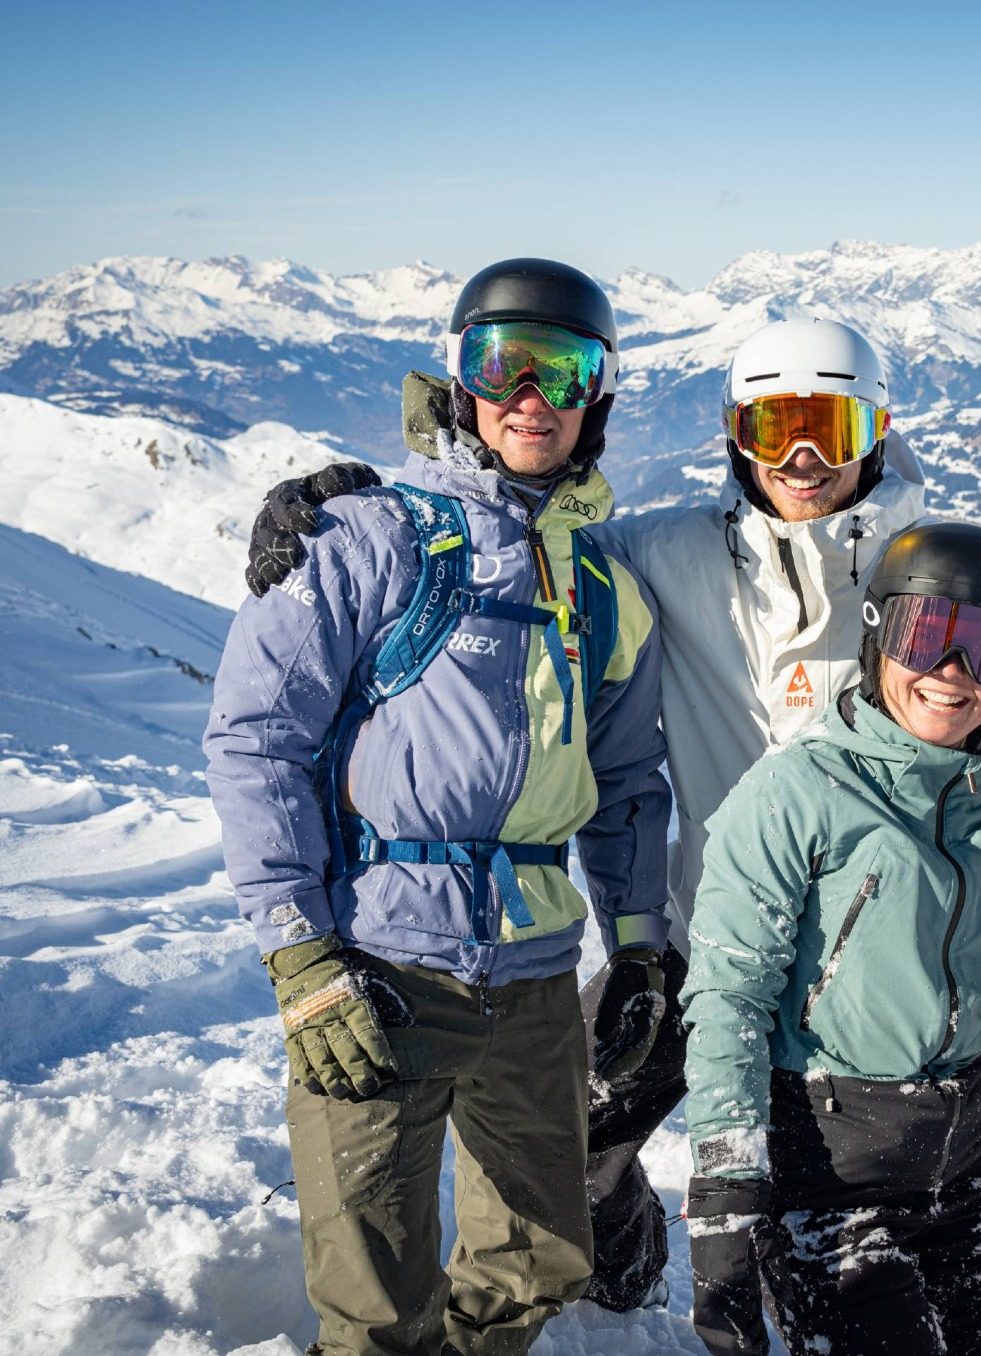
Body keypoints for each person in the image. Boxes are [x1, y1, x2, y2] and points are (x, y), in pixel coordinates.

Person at [242, 315, 981, 1309]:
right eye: (775, 430)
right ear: (734, 435)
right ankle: (622, 1269)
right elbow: (511, 549)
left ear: (876, 432)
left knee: (909, 1177)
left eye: (830, 428)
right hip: (705, 943)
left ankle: (970, 1298)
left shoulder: (928, 575)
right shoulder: (662, 553)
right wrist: (353, 513)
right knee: (573, 1135)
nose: (803, 460)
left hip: (887, 966)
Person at [206, 258, 674, 1356]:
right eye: (499, 363)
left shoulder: (600, 591)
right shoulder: (373, 541)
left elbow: (627, 790)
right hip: (381, 963)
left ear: (595, 395)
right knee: (373, 1293)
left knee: (540, 1251)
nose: (529, 396)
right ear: (458, 380)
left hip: (534, 971)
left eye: (562, 371)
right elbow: (256, 739)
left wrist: (643, 946)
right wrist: (302, 960)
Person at [679, 522, 981, 1356]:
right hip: (831, 1170)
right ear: (876, 635)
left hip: (968, 1167)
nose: (952, 673)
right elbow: (729, 997)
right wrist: (725, 1191)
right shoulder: (797, 793)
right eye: (926, 634)